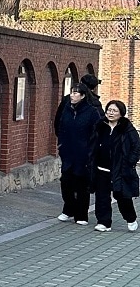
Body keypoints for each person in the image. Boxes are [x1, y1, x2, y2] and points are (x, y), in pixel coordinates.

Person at [54, 76, 103, 225]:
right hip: (68, 152)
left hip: (84, 154)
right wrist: (61, 144)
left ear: (82, 96)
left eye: (76, 93)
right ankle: (69, 208)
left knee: (82, 185)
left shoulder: (92, 111)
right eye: (71, 92)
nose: (72, 95)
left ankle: (81, 215)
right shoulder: (67, 109)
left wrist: (91, 152)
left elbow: (97, 133)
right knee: (66, 182)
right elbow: (59, 126)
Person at [93, 99, 140, 232]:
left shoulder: (127, 128)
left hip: (120, 169)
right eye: (109, 110)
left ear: (121, 113)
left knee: (122, 196)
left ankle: (130, 218)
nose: (110, 113)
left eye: (114, 110)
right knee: (101, 196)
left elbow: (136, 147)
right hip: (101, 168)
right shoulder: (100, 125)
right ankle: (104, 222)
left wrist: (130, 162)